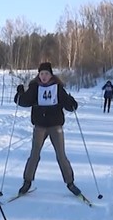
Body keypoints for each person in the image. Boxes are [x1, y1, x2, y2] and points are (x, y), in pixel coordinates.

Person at [14, 61, 81, 197]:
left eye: (46, 74)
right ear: (39, 75)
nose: (44, 76)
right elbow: (24, 101)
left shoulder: (57, 87)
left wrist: (72, 103)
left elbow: (68, 105)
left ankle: (70, 183)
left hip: (55, 126)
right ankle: (27, 181)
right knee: (34, 154)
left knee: (61, 155)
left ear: (51, 75)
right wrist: (20, 94)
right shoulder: (34, 87)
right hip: (39, 126)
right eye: (42, 73)